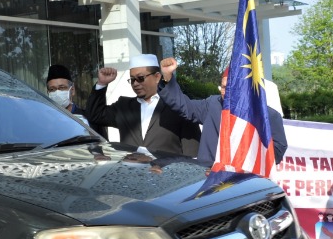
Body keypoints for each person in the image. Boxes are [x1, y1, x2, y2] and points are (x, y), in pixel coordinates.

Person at [157, 57, 288, 167]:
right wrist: (168, 76)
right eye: (223, 87)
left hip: (245, 181)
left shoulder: (268, 116)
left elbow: (277, 153)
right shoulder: (213, 105)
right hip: (209, 177)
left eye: (231, 87)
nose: (225, 92)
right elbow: (184, 106)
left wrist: (250, 141)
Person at [83, 53, 201, 157]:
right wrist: (101, 84)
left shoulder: (178, 106)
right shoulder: (124, 107)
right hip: (132, 177)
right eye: (132, 79)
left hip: (168, 177)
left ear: (157, 77)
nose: (135, 83)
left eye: (140, 78)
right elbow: (95, 115)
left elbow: (192, 151)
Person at [45, 64, 105, 136]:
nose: (57, 93)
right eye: (52, 89)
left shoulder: (89, 119)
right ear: (48, 92)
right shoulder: (45, 121)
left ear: (72, 90)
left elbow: (104, 144)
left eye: (62, 88)